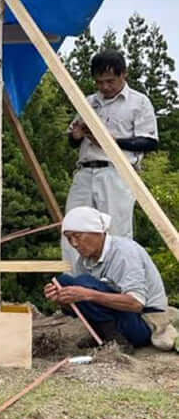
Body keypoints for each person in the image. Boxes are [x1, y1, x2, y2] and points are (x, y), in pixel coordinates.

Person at [63, 49, 158, 265]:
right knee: (74, 225)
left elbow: (150, 142)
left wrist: (112, 142)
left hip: (117, 171)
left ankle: (119, 279)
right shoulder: (88, 101)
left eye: (110, 81)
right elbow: (72, 141)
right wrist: (77, 136)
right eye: (100, 82)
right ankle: (74, 280)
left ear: (123, 74)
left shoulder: (139, 102)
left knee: (116, 229)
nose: (105, 87)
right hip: (86, 169)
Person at [45, 206, 167, 348]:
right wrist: (61, 298)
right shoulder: (84, 261)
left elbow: (136, 303)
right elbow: (83, 305)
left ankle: (115, 339)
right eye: (69, 238)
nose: (74, 244)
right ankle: (105, 334)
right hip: (121, 317)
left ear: (98, 232)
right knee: (64, 282)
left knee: (83, 283)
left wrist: (88, 294)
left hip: (143, 321)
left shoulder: (124, 253)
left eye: (77, 236)